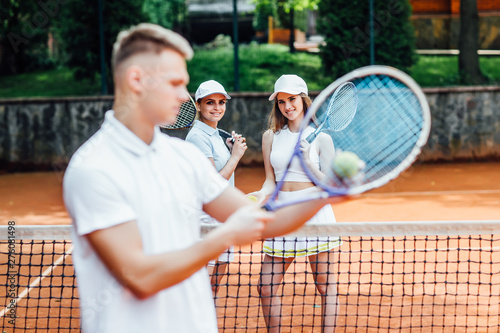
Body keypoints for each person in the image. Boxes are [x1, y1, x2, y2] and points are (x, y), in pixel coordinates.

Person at [62, 23, 345, 333]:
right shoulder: (93, 169)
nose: (185, 96)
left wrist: (331, 194)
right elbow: (140, 277)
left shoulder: (183, 158)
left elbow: (259, 221)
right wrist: (224, 237)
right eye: (175, 82)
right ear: (136, 80)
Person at [249, 75, 342, 333]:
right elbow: (270, 181)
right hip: (282, 215)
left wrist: (310, 163)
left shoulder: (322, 139)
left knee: (324, 285)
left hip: (314, 213)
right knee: (266, 285)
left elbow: (331, 185)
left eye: (292, 99)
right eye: (281, 102)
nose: (287, 106)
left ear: (303, 99)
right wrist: (258, 197)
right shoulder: (270, 137)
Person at [185, 80, 247, 295]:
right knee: (198, 286)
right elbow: (213, 183)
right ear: (199, 105)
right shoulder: (197, 137)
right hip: (204, 219)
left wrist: (230, 150)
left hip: (221, 216)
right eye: (210, 102)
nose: (217, 108)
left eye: (221, 102)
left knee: (212, 286)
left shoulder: (216, 135)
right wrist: (236, 156)